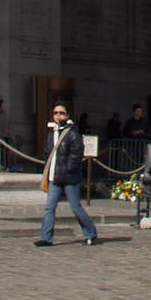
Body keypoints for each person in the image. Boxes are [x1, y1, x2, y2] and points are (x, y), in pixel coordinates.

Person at [34, 102, 98, 247]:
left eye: (61, 113)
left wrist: (67, 170)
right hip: (54, 177)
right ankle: (46, 237)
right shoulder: (51, 133)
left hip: (70, 178)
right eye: (56, 113)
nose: (58, 116)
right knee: (49, 207)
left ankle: (91, 233)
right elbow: (48, 153)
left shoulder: (72, 133)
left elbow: (76, 155)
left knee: (75, 207)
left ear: (67, 115)